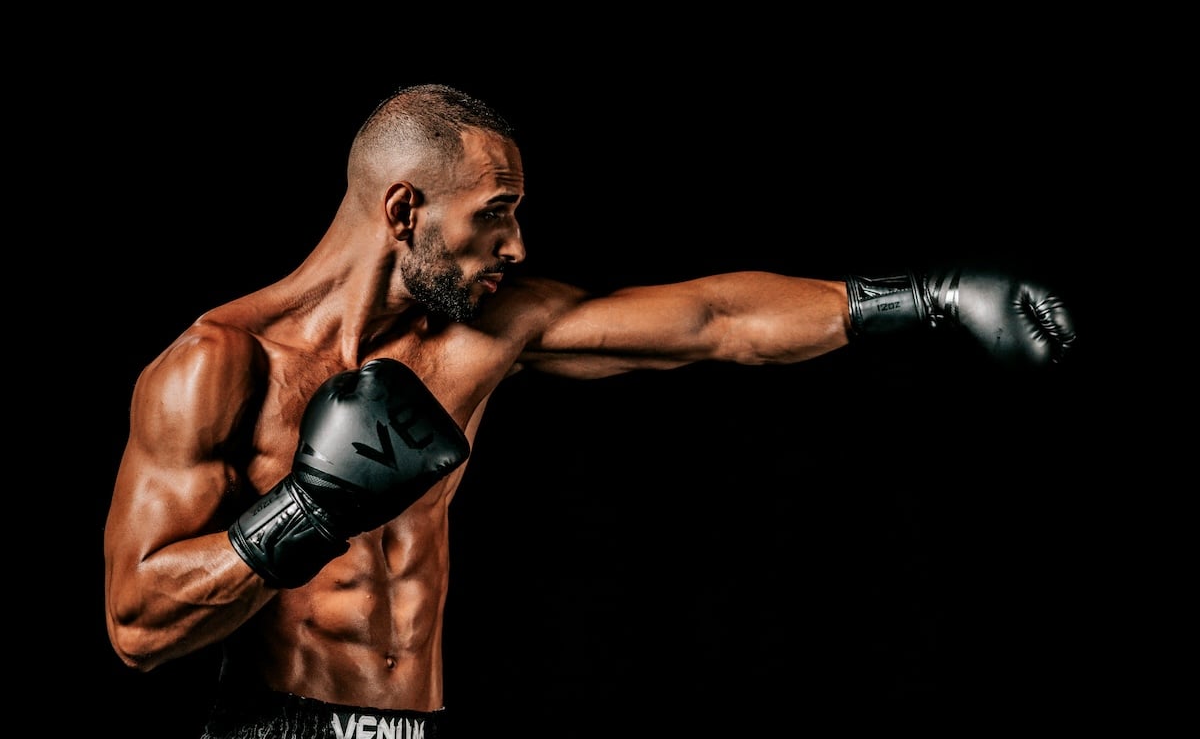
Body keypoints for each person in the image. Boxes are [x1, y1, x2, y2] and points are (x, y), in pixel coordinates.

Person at [103, 83, 1077, 738]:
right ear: (404, 212)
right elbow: (139, 626)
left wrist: (931, 294)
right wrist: (308, 506)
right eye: (496, 211)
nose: (517, 246)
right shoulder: (217, 367)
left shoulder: (484, 334)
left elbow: (715, 320)